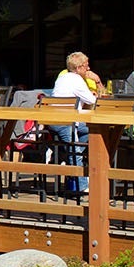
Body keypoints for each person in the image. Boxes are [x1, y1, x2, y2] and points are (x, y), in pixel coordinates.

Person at [50, 51, 96, 193]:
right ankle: (82, 187)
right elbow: (92, 101)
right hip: (66, 122)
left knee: (91, 130)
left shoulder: (62, 78)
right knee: (75, 150)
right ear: (78, 68)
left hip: (53, 120)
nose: (88, 69)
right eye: (86, 66)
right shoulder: (76, 80)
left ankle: (68, 160)